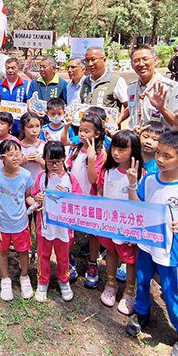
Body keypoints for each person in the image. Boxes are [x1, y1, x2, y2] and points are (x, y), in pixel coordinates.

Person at [126, 130, 178, 356]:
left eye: (167, 156)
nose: (159, 159)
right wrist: (130, 185)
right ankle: (141, 312)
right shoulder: (148, 180)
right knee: (142, 280)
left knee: (172, 291)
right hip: (146, 244)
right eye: (158, 153)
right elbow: (138, 206)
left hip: (170, 249)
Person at [97, 130, 142, 315]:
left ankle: (130, 291)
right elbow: (100, 192)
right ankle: (111, 283)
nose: (116, 152)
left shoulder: (141, 174)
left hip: (128, 226)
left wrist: (137, 230)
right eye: (114, 147)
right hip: (108, 222)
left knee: (130, 259)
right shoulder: (107, 170)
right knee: (111, 252)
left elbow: (141, 205)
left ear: (133, 151)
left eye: (122, 149)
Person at [30, 141, 81, 302]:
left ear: (64, 159)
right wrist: (36, 198)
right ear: (44, 159)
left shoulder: (71, 179)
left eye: (57, 161)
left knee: (63, 256)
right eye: (50, 162)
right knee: (43, 255)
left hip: (64, 228)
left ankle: (63, 280)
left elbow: (79, 201)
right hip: (45, 225)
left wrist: (67, 197)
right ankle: (42, 282)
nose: (54, 165)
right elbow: (33, 196)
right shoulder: (41, 177)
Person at [0, 139, 35, 301]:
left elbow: (28, 196)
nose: (15, 158)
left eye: (18, 154)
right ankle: (6, 279)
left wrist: (35, 203)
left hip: (21, 224)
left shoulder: (26, 175)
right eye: (11, 154)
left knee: (23, 251)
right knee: (2, 252)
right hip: (2, 225)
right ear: (2, 158)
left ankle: (24, 277)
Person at [66, 114, 107, 288]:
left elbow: (93, 180)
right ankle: (67, 258)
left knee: (93, 233)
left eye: (86, 131)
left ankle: (92, 262)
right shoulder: (75, 149)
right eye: (80, 130)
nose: (82, 134)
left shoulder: (100, 154)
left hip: (90, 199)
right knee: (70, 230)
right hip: (72, 197)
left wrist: (90, 158)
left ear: (97, 134)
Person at [120, 45, 178, 130]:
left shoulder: (170, 88)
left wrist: (162, 109)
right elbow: (131, 109)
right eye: (136, 61)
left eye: (145, 59)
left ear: (155, 61)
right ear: (132, 65)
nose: (141, 64)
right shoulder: (131, 88)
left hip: (161, 141)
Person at [0, 57, 28, 134]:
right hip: (3, 127)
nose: (10, 70)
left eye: (13, 68)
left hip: (20, 128)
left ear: (18, 68)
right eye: (8, 68)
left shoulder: (26, 85)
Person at [18, 113, 45, 182]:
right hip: (22, 185)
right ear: (23, 128)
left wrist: (40, 161)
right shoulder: (17, 147)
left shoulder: (44, 146)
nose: (34, 130)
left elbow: (52, 168)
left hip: (40, 185)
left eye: (37, 126)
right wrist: (23, 161)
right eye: (30, 127)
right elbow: (9, 168)